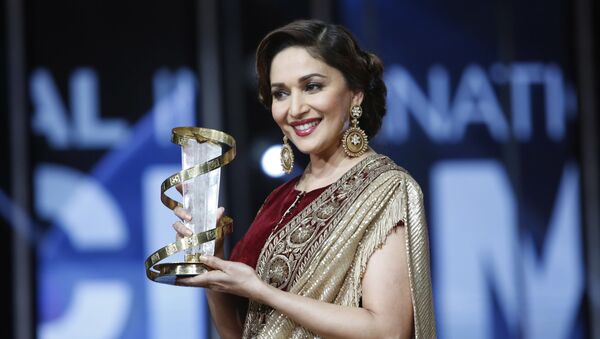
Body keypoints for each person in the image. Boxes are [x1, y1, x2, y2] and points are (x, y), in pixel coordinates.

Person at [172, 19, 436, 339]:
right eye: (281, 93)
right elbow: (239, 334)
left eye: (312, 86)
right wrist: (214, 264)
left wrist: (264, 292)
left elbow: (388, 330)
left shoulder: (385, 189)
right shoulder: (280, 199)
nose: (294, 109)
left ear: (355, 94)